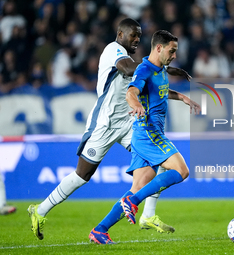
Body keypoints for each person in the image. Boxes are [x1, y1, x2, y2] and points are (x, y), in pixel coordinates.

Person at [28, 18, 191, 241]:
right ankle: (40, 210)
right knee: (82, 175)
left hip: (127, 123)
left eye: (139, 36)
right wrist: (164, 67)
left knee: (160, 159)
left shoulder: (135, 61)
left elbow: (146, 77)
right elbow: (126, 68)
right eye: (133, 35)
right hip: (103, 124)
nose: (136, 39)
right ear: (121, 34)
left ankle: (148, 214)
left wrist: (166, 74)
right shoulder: (112, 51)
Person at [88, 30, 200, 244]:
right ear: (159, 48)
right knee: (181, 170)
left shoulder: (160, 68)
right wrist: (137, 104)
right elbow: (131, 92)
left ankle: (100, 230)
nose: (175, 55)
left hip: (145, 134)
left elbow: (160, 90)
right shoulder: (145, 69)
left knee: (138, 186)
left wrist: (182, 97)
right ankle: (133, 202)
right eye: (172, 50)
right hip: (149, 132)